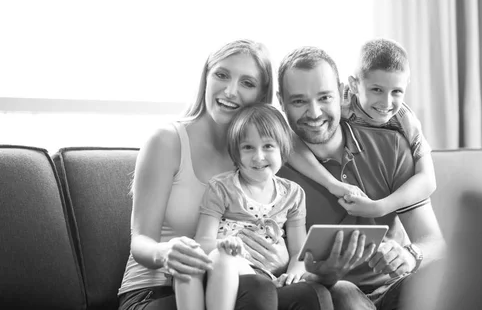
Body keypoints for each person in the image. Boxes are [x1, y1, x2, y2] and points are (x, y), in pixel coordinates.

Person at [118, 40, 331, 310]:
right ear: (205, 78)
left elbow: (314, 134)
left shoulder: (258, 158)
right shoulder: (167, 141)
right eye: (222, 75)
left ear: (261, 94)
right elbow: (140, 241)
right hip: (157, 290)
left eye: (247, 83)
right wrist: (164, 252)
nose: (231, 91)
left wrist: (281, 260)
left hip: (244, 284)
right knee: (256, 291)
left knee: (313, 295)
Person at [276, 46, 446, 310]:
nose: (315, 112)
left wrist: (410, 256)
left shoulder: (392, 146)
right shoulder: (271, 167)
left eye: (324, 97)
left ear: (342, 92)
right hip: (327, 294)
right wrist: (325, 275)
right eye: (299, 101)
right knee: (343, 293)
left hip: (394, 287)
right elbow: (280, 272)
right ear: (281, 101)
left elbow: (434, 241)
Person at [174, 103, 308, 310]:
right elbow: (204, 240)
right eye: (248, 147)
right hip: (222, 266)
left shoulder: (293, 194)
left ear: (283, 148)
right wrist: (224, 246)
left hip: (262, 277)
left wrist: (294, 272)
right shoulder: (221, 187)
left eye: (268, 146)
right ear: (236, 153)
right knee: (220, 259)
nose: (258, 157)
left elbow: (300, 250)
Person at [287, 38, 437, 218]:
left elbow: (428, 180)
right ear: (354, 85)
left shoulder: (405, 121)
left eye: (396, 91)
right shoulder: (339, 102)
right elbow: (290, 138)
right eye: (377, 90)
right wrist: (332, 184)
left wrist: (379, 208)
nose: (386, 103)